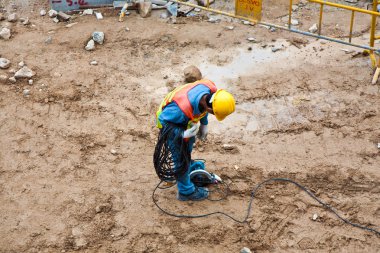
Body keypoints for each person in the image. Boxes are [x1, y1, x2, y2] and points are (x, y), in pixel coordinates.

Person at [155, 79, 235, 201]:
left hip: (185, 121)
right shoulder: (181, 109)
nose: (212, 114)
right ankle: (186, 192)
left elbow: (204, 109)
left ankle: (189, 167)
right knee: (180, 159)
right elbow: (162, 120)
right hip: (170, 125)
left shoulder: (210, 89)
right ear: (209, 106)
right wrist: (182, 134)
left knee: (187, 148)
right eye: (213, 113)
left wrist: (204, 124)